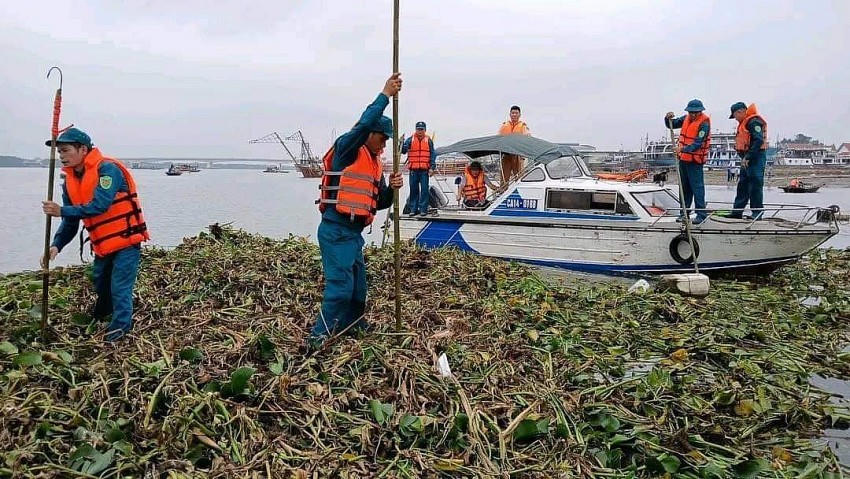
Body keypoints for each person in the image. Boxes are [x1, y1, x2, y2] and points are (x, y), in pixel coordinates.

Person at [309, 73, 404, 349]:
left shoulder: (375, 163)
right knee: (340, 288)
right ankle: (318, 337)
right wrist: (385, 94)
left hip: (353, 234)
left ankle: (354, 325)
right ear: (370, 135)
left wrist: (393, 189)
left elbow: (380, 201)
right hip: (335, 229)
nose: (384, 145)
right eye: (382, 138)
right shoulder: (348, 148)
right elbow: (364, 122)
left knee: (358, 289)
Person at [40, 128, 149, 341]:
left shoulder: (107, 170)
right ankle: (103, 317)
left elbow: (100, 205)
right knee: (101, 283)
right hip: (103, 245)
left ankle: (117, 333)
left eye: (65, 150)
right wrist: (55, 245)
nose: (61, 156)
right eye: (59, 152)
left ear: (82, 149)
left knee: (120, 286)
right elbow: (70, 221)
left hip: (126, 241)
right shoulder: (69, 182)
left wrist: (61, 210)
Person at [665, 99, 711, 224]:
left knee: (697, 188)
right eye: (691, 112)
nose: (693, 114)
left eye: (695, 112)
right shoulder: (685, 118)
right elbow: (671, 124)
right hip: (683, 160)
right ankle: (684, 213)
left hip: (695, 161)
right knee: (684, 188)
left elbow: (697, 143)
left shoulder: (704, 124)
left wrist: (682, 149)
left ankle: (701, 214)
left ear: (700, 111)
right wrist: (667, 118)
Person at [728, 102, 768, 219]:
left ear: (740, 112)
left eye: (735, 116)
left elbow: (758, 140)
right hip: (746, 157)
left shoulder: (753, 121)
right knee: (743, 185)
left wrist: (748, 156)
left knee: (755, 185)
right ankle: (737, 212)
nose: (735, 119)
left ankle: (757, 213)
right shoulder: (744, 123)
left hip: (756, 157)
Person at [401, 121, 436, 216]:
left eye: (421, 129)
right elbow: (403, 151)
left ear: (425, 130)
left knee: (424, 190)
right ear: (415, 129)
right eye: (418, 129)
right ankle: (413, 209)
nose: (419, 131)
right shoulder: (410, 140)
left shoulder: (428, 140)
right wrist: (401, 144)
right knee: (413, 189)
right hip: (413, 170)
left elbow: (432, 154)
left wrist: (432, 167)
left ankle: (423, 210)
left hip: (424, 170)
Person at [498, 105, 530, 184]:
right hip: (506, 154)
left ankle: (520, 193)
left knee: (519, 177)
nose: (514, 115)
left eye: (516, 113)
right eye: (513, 113)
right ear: (510, 114)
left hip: (518, 154)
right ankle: (503, 193)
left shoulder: (523, 126)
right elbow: (498, 139)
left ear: (519, 115)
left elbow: (528, 138)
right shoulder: (504, 126)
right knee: (504, 179)